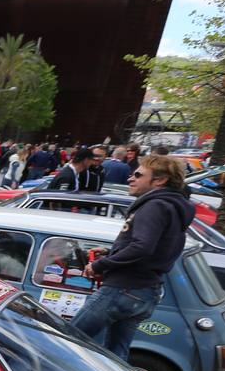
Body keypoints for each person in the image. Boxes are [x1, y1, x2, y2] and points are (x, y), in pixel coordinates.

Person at [72, 154, 194, 360]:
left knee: (66, 340)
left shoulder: (154, 206)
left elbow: (142, 247)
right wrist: (113, 253)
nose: (130, 178)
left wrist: (100, 265)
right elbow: (154, 248)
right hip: (147, 291)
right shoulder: (173, 207)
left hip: (124, 288)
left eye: (138, 174)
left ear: (160, 180)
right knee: (116, 357)